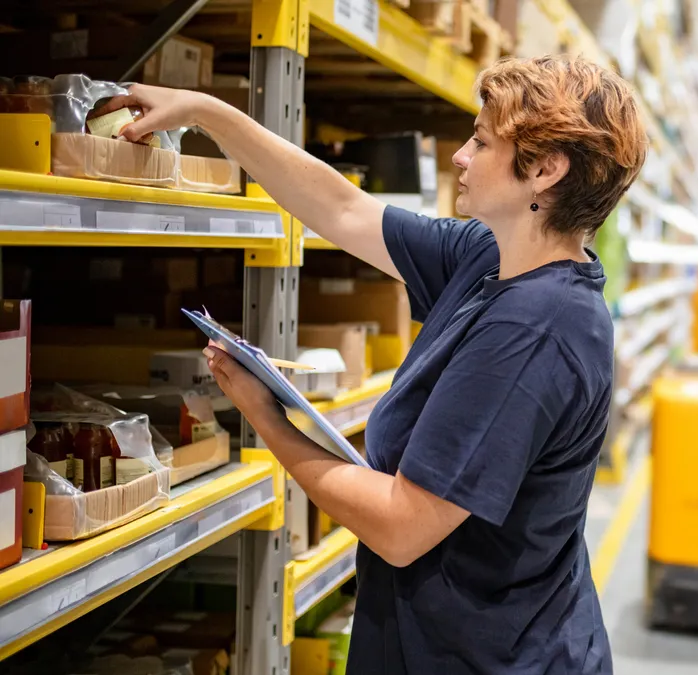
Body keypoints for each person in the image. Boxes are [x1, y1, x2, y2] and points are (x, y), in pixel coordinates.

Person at [102, 55, 646, 673]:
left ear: (545, 171)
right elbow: (343, 210)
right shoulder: (490, 259)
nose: (459, 156)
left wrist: (267, 418)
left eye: (482, 141)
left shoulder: (535, 329)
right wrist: (208, 113)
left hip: (490, 656)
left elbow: (401, 526)